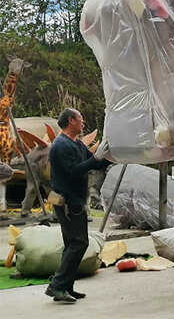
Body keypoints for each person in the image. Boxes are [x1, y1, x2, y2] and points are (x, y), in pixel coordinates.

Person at [45, 108, 109, 304]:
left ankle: (66, 286)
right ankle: (56, 286)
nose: (83, 122)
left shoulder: (75, 143)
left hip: (73, 200)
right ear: (71, 120)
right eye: (80, 118)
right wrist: (95, 159)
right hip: (68, 202)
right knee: (80, 242)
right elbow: (75, 171)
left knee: (72, 244)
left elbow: (90, 163)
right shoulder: (61, 145)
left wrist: (106, 157)